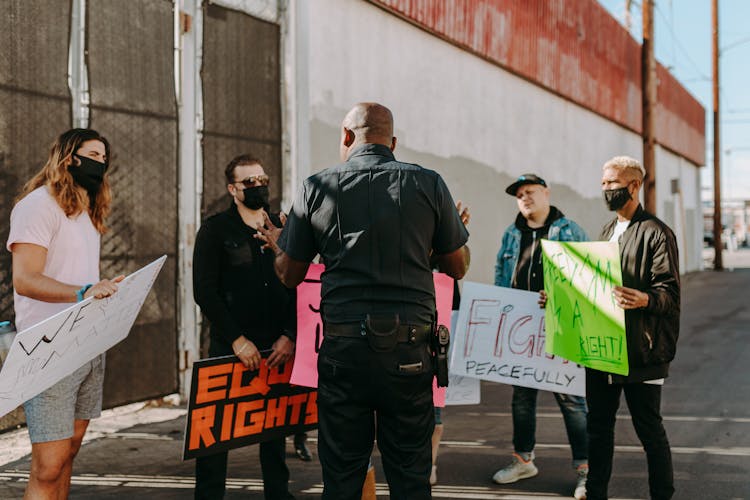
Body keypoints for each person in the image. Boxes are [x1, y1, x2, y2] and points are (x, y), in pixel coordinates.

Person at [257, 102, 470, 499]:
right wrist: (434, 243)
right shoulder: (430, 183)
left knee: (342, 475)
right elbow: (458, 267)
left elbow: (290, 275)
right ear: (393, 142)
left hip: (344, 354)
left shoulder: (316, 187)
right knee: (410, 474)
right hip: (411, 352)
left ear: (346, 136)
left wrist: (278, 247)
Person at [7, 128, 123, 499]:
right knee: (48, 466)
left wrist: (100, 289)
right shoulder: (37, 206)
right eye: (92, 155)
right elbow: (25, 280)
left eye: (104, 158)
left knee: (68, 455)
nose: (99, 163)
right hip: (48, 347)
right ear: (69, 157)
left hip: (87, 344)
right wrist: (82, 292)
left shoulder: (88, 210)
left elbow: (77, 275)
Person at [192, 154, 296, 500]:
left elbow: (300, 282)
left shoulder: (285, 224)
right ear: (233, 189)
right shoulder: (215, 230)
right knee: (213, 437)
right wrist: (237, 340)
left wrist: (290, 335)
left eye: (262, 179)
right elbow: (204, 291)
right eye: (249, 182)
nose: (258, 186)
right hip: (230, 347)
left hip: (276, 347)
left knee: (274, 433)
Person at [586, 156, 679, 500]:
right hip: (602, 348)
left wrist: (645, 299)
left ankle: (662, 495)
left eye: (612, 182)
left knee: (649, 431)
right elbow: (592, 283)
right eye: (603, 183)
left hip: (643, 349)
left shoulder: (656, 232)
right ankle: (596, 493)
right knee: (597, 430)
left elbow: (669, 292)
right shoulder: (607, 231)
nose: (606, 188)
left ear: (634, 185)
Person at [491, 174, 589, 499]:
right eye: (519, 195)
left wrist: (560, 296)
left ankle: (587, 471)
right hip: (523, 332)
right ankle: (523, 460)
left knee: (572, 401)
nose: (524, 198)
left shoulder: (569, 231)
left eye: (530, 191)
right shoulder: (511, 234)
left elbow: (588, 278)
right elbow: (501, 278)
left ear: (546, 192)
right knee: (522, 399)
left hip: (562, 329)